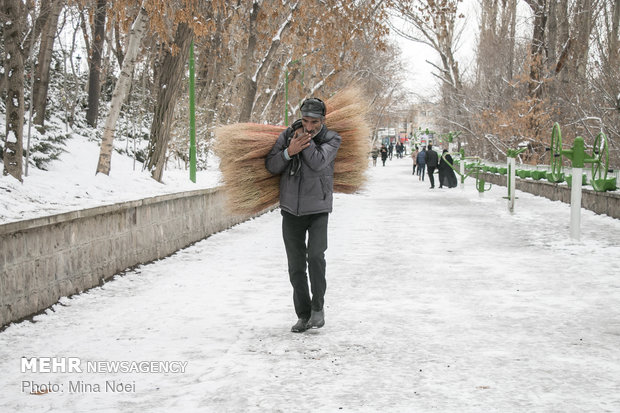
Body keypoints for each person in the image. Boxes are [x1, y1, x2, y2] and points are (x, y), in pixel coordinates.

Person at [265, 98, 341, 333]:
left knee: (316, 257)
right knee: (296, 266)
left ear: (323, 120)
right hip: (291, 210)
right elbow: (271, 165)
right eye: (305, 121)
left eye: (314, 122)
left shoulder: (332, 139)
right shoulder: (288, 135)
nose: (309, 127)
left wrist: (303, 144)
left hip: (318, 208)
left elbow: (319, 163)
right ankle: (303, 314)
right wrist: (289, 152)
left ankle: (318, 308)